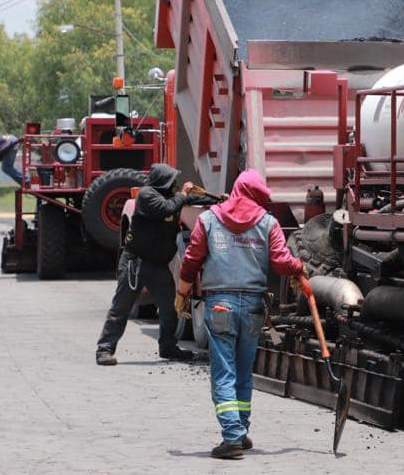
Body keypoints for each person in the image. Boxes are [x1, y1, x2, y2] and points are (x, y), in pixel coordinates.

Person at [176, 168, 306, 459]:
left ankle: (232, 436)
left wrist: (182, 293)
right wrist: (300, 269)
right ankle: (242, 430)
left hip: (220, 303)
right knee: (244, 371)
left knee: (224, 372)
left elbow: (191, 260)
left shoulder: (208, 219)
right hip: (253, 306)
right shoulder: (268, 222)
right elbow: (282, 262)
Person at [95, 163, 196, 366]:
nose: (175, 184)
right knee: (121, 306)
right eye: (172, 179)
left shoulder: (172, 196)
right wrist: (183, 195)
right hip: (136, 262)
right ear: (162, 180)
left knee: (170, 308)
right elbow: (164, 209)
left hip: (158, 264)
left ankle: (168, 347)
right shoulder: (146, 195)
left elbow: (194, 199)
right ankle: (105, 349)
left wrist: (219, 199)